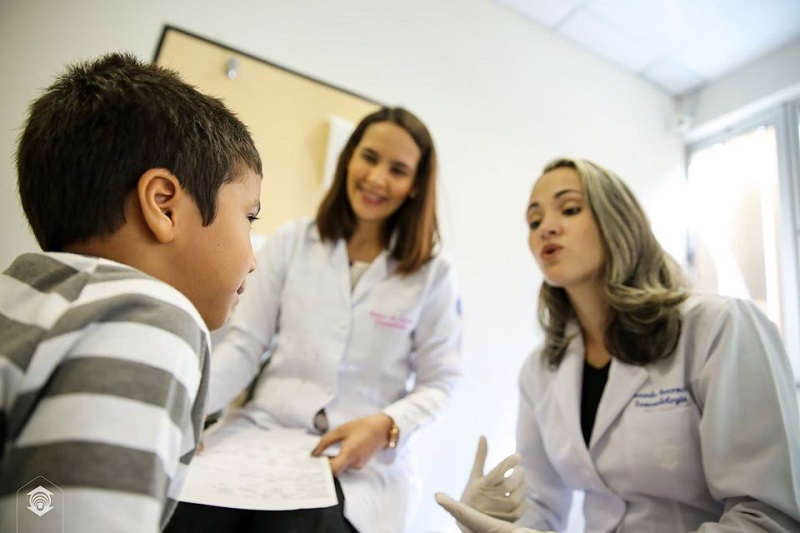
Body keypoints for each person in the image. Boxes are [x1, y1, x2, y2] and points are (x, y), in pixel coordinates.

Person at [436, 157, 800, 532]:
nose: (546, 227)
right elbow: (543, 508)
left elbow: (766, 517)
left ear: (617, 220)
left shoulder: (717, 327)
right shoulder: (542, 369)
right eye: (534, 221)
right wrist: (494, 519)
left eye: (570, 208)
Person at [165, 106, 463, 533]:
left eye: (397, 170)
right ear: (350, 158)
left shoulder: (433, 273)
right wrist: (189, 412)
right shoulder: (292, 242)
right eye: (371, 158)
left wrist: (387, 425)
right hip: (264, 431)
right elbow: (246, 347)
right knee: (183, 513)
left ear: (416, 185)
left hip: (357, 461)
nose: (377, 178)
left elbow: (442, 382)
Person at [0, 52, 263, 532]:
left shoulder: (21, 292)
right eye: (250, 216)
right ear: (163, 205)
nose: (254, 257)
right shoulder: (150, 320)